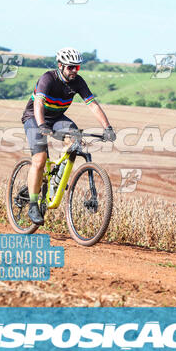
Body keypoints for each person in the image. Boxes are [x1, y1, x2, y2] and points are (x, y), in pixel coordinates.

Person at [21, 47, 116, 225]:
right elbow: (39, 103)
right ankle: (33, 205)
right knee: (40, 159)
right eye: (71, 67)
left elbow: (93, 105)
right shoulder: (48, 78)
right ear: (60, 65)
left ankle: (57, 178)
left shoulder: (78, 82)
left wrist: (107, 127)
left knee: (76, 139)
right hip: (34, 117)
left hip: (57, 118)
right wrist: (41, 125)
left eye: (77, 67)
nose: (74, 71)